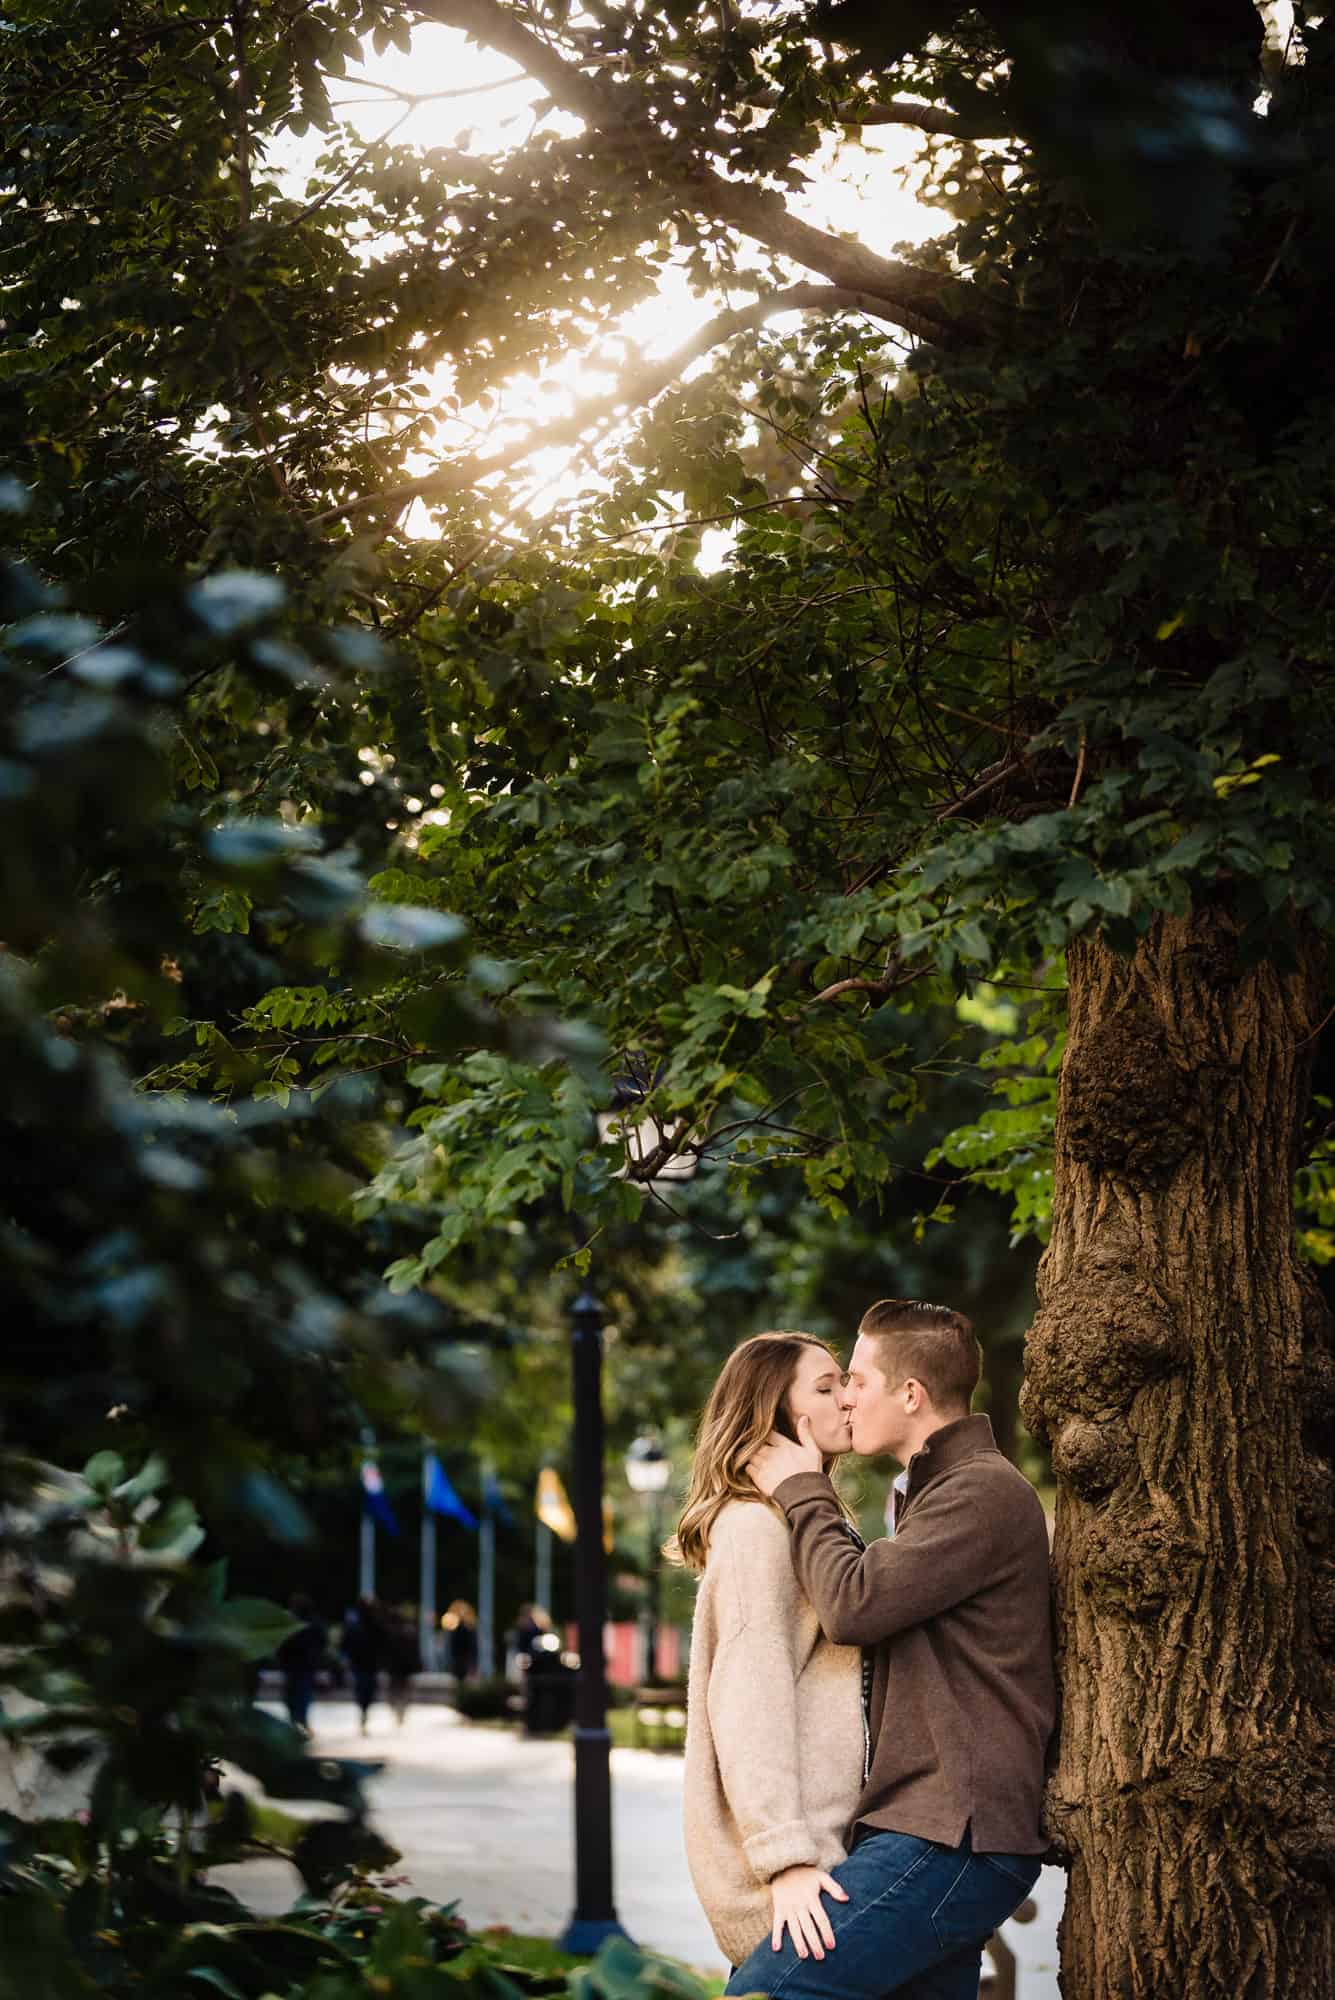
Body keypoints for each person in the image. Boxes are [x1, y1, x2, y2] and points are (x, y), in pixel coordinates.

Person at [740, 1298, 1056, 2000]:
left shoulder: (981, 1493)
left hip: (951, 1834)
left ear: (909, 1395)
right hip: (934, 1830)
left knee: (767, 1991)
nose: (845, 1396)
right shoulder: (934, 1493)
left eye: (855, 1378)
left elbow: (854, 1605)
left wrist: (802, 1490)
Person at [673, 1332, 868, 1972]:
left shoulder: (790, 1521)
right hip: (798, 1877)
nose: (849, 1399)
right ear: (776, 1415)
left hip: (825, 1854)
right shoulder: (758, 1528)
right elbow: (749, 1696)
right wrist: (785, 1860)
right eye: (826, 1387)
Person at [275, 1592, 326, 1734]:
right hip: (302, 1666)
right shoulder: (311, 1623)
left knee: (296, 1695)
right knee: (300, 1695)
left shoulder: (293, 1622)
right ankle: (299, 1722)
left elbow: (281, 1644)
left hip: (297, 1666)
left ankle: (297, 1722)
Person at [341, 1595, 384, 1733]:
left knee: (366, 1690)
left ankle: (364, 1711)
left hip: (367, 1664)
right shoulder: (357, 1626)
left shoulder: (374, 1625)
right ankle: (363, 1711)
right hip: (363, 1664)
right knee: (364, 1690)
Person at [383, 1604, 421, 1727]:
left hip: (398, 1666)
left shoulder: (391, 1632)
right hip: (401, 1666)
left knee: (396, 1688)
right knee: (401, 1688)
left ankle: (398, 1708)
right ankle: (400, 1708)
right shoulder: (400, 1632)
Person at [443, 1599, 480, 1682]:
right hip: (459, 1661)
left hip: (463, 1661)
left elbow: (473, 1648)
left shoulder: (469, 1629)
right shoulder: (457, 1628)